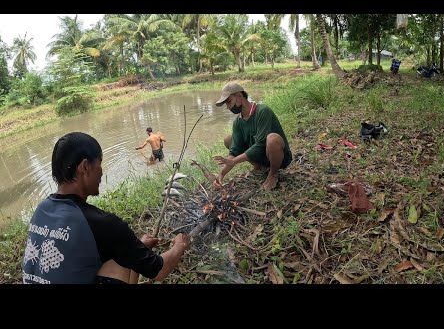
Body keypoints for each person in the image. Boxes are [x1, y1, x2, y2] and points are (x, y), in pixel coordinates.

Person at [22, 132, 190, 284]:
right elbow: (158, 271)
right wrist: (179, 246)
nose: (102, 172)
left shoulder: (41, 209)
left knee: (123, 257)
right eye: (100, 164)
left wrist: (138, 246)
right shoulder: (102, 223)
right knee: (122, 262)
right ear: (85, 167)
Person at [213, 82, 292, 191]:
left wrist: (235, 161)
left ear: (239, 97)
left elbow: (260, 144)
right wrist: (221, 174)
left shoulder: (263, 111)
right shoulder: (238, 122)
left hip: (280, 158)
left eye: (229, 102)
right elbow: (234, 151)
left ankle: (273, 173)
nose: (228, 107)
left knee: (272, 139)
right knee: (228, 139)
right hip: (260, 158)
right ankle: (258, 167)